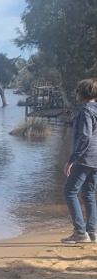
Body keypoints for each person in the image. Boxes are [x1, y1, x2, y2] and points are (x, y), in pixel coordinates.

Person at [61, 78, 97, 244]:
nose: (75, 94)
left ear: (82, 93)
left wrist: (71, 159)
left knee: (69, 191)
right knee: (88, 194)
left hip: (85, 158)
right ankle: (92, 232)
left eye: (77, 91)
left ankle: (80, 232)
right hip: (95, 159)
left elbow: (85, 136)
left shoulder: (85, 111)